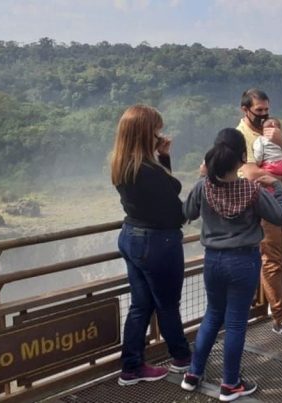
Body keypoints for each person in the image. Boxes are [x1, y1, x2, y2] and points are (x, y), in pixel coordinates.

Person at [181, 128, 282, 401]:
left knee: (212, 315)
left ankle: (193, 373)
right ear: (242, 157)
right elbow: (280, 217)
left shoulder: (204, 187)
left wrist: (202, 178)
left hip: (213, 260)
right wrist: (277, 187)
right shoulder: (252, 191)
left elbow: (187, 212)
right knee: (236, 322)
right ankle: (230, 384)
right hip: (243, 261)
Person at [110, 105, 191, 385]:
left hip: (131, 236)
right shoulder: (149, 172)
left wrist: (162, 157)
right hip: (158, 242)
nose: (160, 134)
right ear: (146, 133)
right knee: (167, 304)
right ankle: (182, 358)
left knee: (140, 305)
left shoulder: (123, 165)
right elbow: (175, 208)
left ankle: (131, 367)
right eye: (156, 129)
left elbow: (166, 192)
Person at [237, 88, 282, 339]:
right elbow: (250, 174)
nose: (264, 115)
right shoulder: (242, 135)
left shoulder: (273, 130)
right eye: (259, 110)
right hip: (263, 207)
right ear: (245, 110)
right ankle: (279, 317)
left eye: (266, 110)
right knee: (272, 261)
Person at [254, 118, 282, 201]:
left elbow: (258, 155)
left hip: (270, 166)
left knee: (266, 183)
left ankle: (271, 197)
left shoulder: (261, 139)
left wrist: (258, 163)